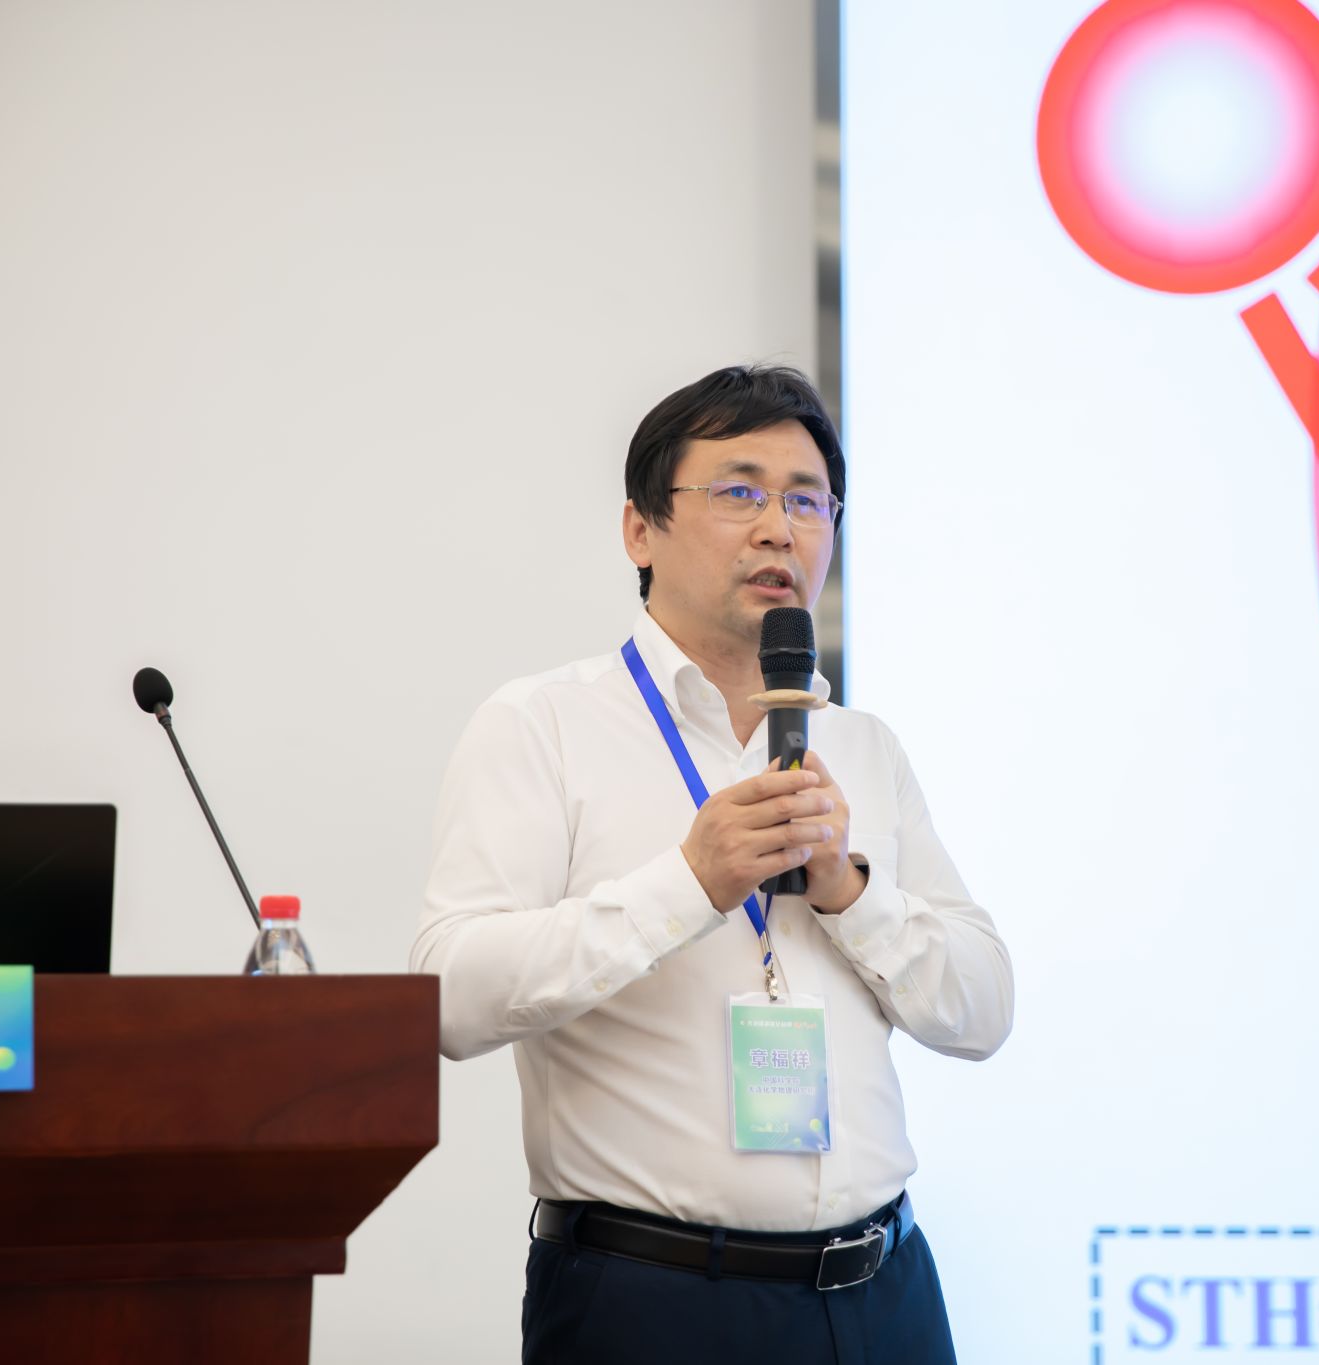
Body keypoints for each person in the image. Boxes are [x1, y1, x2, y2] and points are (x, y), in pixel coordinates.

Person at [411, 364, 1013, 1363]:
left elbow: (983, 1008)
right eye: (740, 491)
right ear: (639, 531)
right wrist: (687, 885)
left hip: (885, 1295)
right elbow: (446, 997)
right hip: (653, 1299)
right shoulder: (542, 725)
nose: (780, 529)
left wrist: (850, 893)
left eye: (808, 501)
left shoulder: (863, 746)